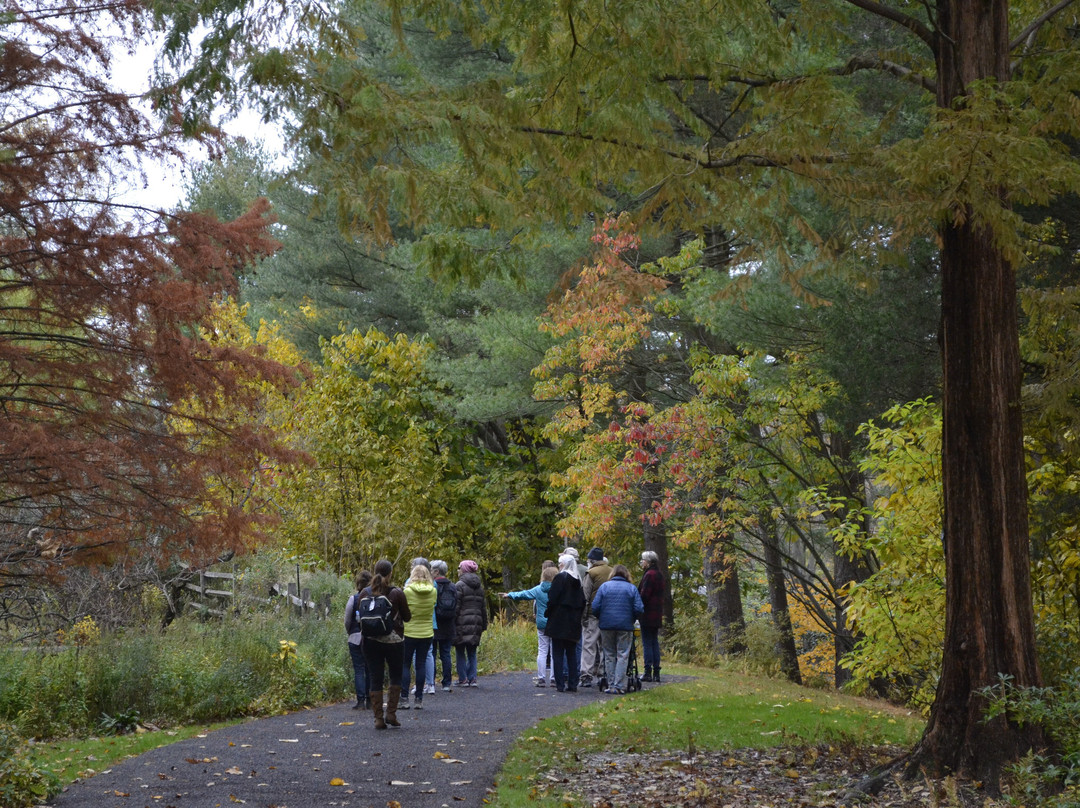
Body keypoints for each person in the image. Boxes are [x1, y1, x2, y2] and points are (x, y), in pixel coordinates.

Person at [360, 559, 411, 729]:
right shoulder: (397, 593)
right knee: (395, 675)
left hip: (370, 641)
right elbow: (407, 617)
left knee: (376, 677)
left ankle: (378, 719)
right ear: (390, 574)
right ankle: (391, 713)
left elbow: (358, 617)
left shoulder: (365, 593)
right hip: (394, 640)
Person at [592, 564, 644, 695]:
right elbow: (639, 608)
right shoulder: (631, 588)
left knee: (609, 655)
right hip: (625, 626)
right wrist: (632, 618)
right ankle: (619, 685)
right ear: (627, 575)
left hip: (606, 625)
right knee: (623, 654)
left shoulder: (604, 587)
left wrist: (602, 617)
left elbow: (595, 606)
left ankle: (610, 684)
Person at [499, 565, 557, 686]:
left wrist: (510, 595)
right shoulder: (558, 589)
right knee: (554, 651)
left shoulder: (539, 589)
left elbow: (524, 594)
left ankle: (541, 678)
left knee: (542, 650)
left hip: (541, 623)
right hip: (555, 622)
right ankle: (553, 678)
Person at [544, 554, 585, 692]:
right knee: (572, 653)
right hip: (573, 621)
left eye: (560, 563)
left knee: (558, 652)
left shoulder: (560, 578)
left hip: (558, 619)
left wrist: (548, 612)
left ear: (564, 564)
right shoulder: (578, 580)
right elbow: (582, 601)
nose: (559, 565)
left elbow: (552, 597)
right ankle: (573, 683)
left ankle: (560, 684)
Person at [400, 563, 437, 710]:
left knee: (405, 664)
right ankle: (419, 698)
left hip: (409, 632)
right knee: (420, 664)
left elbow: (403, 610)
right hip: (427, 632)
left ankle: (404, 698)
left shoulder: (407, 591)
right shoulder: (433, 591)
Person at [579, 547, 612, 687]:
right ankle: (603, 674)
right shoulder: (612, 571)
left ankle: (586, 675)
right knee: (605, 646)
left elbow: (585, 596)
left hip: (593, 614)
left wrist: (583, 616)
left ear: (591, 560)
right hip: (609, 614)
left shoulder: (591, 573)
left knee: (589, 646)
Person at [453, 559, 487, 687]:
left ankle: (463, 679)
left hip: (462, 622)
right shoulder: (479, 587)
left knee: (460, 650)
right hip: (476, 622)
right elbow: (483, 608)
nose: (458, 570)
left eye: (459, 567)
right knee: (472, 651)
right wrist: (484, 624)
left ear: (464, 570)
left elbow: (456, 606)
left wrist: (453, 621)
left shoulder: (459, 585)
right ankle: (472, 678)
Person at [345, 569, 372, 710]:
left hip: (355, 637)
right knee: (370, 670)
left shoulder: (353, 599)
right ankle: (370, 700)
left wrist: (350, 632)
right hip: (372, 639)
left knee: (359, 670)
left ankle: (360, 701)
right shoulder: (375, 599)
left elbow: (347, 620)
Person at [431, 559, 458, 691]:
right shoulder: (453, 586)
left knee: (431, 654)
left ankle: (431, 681)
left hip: (435, 625)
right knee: (446, 654)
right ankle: (447, 683)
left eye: (431, 569)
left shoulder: (433, 585)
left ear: (436, 571)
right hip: (449, 625)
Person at [638, 550, 665, 682]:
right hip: (657, 613)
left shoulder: (649, 575)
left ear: (648, 562)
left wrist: (637, 607)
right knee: (654, 642)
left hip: (648, 613)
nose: (642, 562)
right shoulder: (659, 574)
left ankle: (648, 671)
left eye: (643, 560)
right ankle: (656, 671)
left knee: (647, 642)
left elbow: (644, 595)